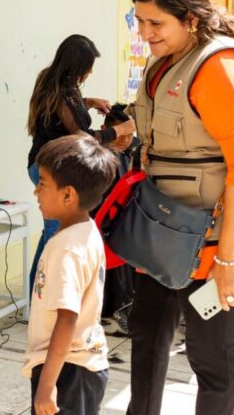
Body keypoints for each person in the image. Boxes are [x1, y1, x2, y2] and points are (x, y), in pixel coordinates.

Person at [126, 0, 234, 415]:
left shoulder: (223, 69)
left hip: (212, 250)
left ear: (190, 18)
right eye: (140, 21)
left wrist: (227, 262)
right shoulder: (163, 63)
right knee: (146, 345)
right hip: (162, 240)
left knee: (212, 362)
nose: (145, 33)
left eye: (156, 23)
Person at [26, 35, 136, 295]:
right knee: (56, 236)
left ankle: (37, 294)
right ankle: (44, 298)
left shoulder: (54, 82)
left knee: (51, 234)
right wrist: (118, 131)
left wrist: (89, 102)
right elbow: (81, 139)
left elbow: (64, 111)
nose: (90, 72)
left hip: (49, 166)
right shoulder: (62, 93)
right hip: (50, 171)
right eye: (88, 66)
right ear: (76, 66)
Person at [24, 133, 118, 415]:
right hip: (75, 365)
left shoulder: (68, 249)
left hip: (68, 372)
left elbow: (67, 318)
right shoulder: (83, 229)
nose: (36, 192)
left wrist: (46, 386)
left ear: (68, 194)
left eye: (42, 184)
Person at [94, 103, 139, 334]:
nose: (125, 140)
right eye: (121, 134)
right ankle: (123, 306)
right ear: (106, 129)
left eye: (130, 135)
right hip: (102, 221)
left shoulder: (133, 152)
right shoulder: (100, 156)